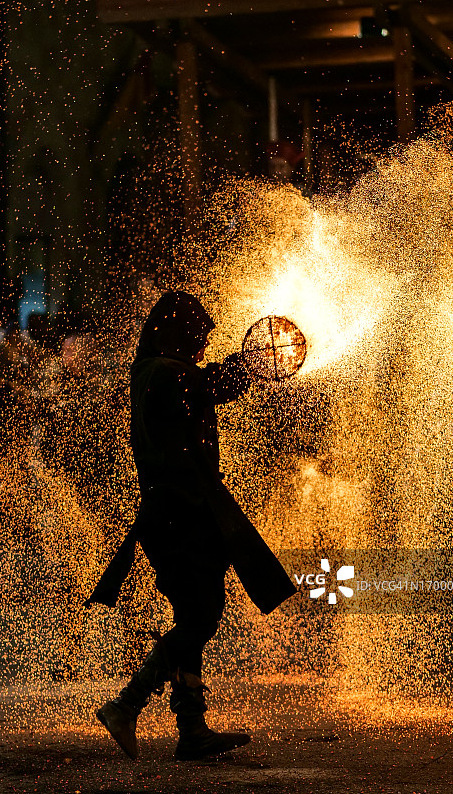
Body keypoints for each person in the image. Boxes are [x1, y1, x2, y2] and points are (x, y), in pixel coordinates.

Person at [88, 290, 296, 761]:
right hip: (180, 514)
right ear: (177, 332)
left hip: (174, 511)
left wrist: (237, 370)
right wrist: (245, 368)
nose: (203, 344)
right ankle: (126, 704)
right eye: (198, 335)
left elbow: (199, 386)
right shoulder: (164, 373)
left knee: (191, 617)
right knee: (201, 617)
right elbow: (197, 388)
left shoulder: (151, 371)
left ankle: (192, 728)